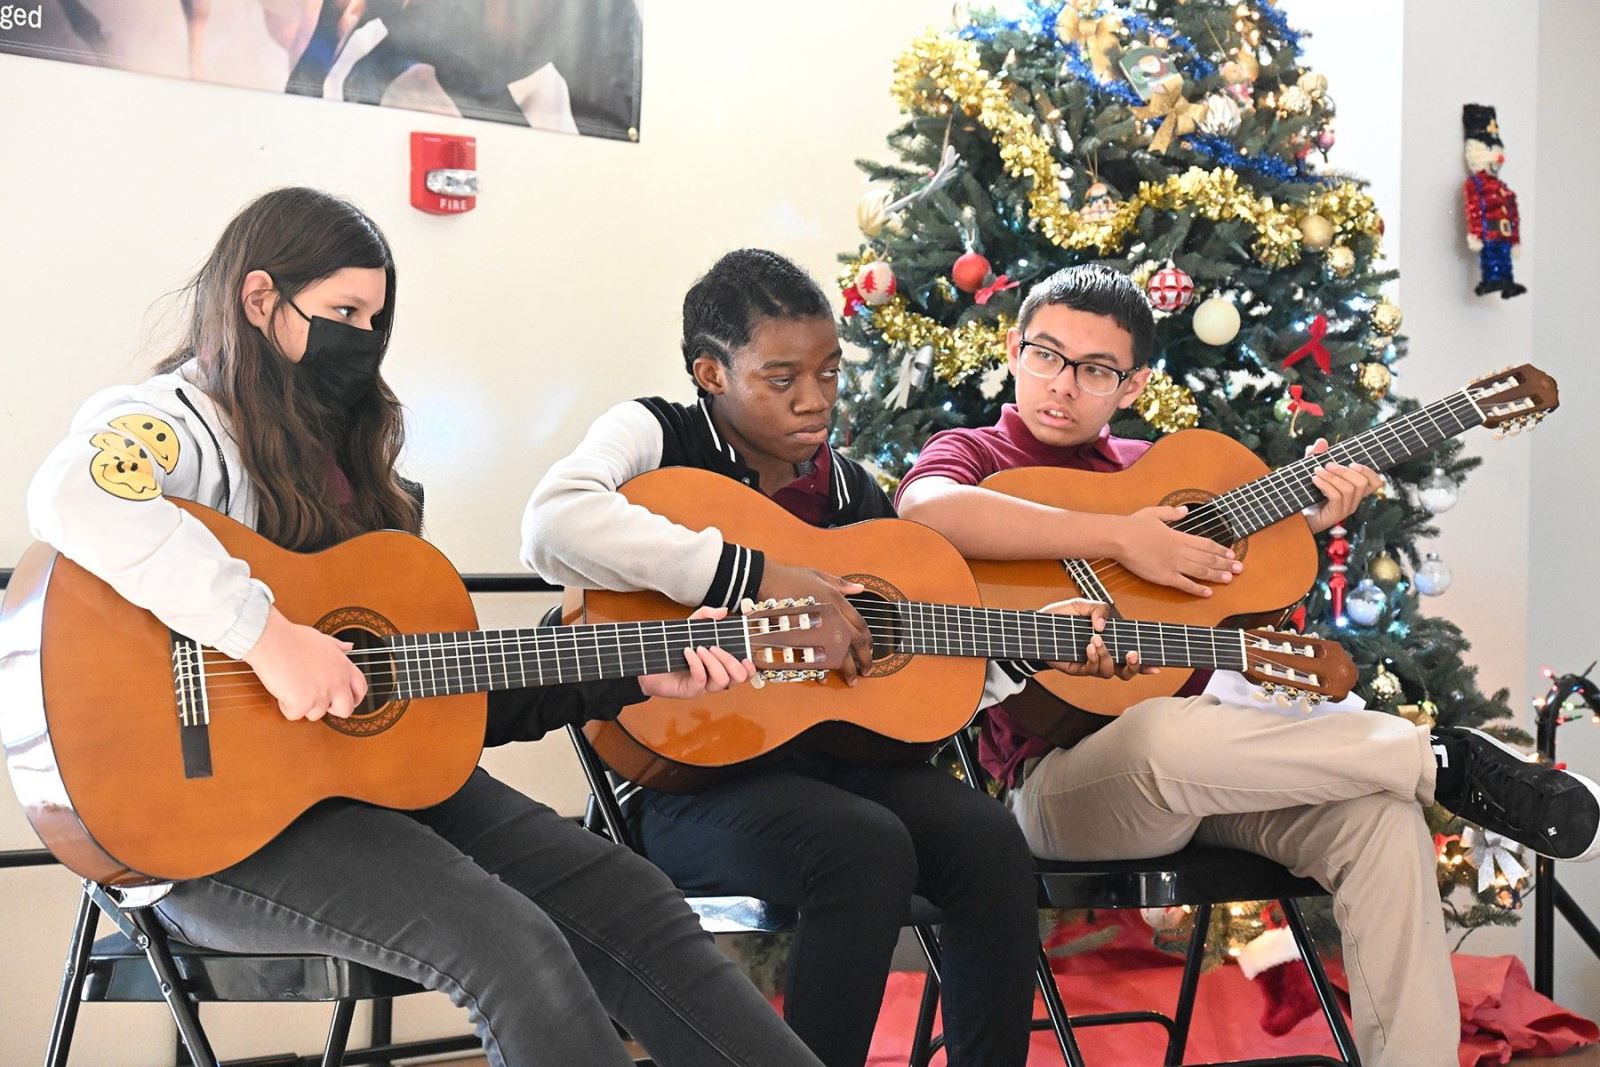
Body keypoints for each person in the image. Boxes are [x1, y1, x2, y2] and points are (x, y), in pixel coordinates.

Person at [25, 188, 828, 1067]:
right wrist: (267, 637)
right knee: (511, 947)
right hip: (207, 827)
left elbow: (431, 696)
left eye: (375, 317)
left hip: (367, 790)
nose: (362, 338)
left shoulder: (354, 463)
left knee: (634, 902)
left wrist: (633, 675)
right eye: (341, 312)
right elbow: (77, 490)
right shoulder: (183, 421)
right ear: (260, 300)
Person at [894, 263, 1600, 1067]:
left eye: (1096, 370)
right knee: (1162, 732)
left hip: (1219, 769)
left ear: (1133, 384)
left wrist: (1310, 516)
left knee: (1380, 821)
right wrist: (1123, 537)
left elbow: (1240, 622)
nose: (1062, 385)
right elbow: (928, 511)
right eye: (1047, 355)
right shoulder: (976, 452)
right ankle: (1434, 757)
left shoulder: (1163, 469)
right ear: (1013, 349)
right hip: (1065, 787)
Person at [521, 249, 1063, 1066]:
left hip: (835, 768)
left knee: (989, 841)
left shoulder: (852, 495)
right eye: (782, 378)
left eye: (830, 373)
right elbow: (551, 525)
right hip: (683, 780)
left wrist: (1030, 652)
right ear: (711, 371)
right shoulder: (655, 433)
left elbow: (915, 675)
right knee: (862, 846)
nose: (815, 400)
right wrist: (760, 575)